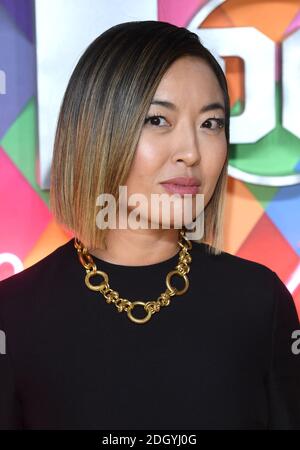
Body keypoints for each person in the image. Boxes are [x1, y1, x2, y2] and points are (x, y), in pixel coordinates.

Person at [0, 20, 299, 430]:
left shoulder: (260, 301)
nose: (191, 152)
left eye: (210, 123)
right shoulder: (13, 313)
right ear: (98, 130)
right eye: (158, 120)